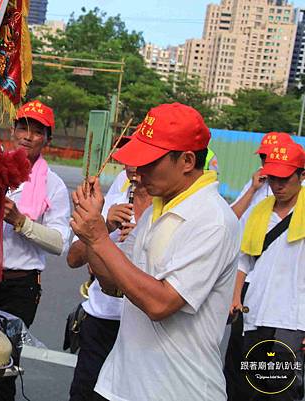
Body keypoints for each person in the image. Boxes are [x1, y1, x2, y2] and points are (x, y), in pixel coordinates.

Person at [70, 103, 240, 401]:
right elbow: (113, 284)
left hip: (176, 389)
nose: (138, 172)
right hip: (121, 382)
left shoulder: (212, 219)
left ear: (187, 161)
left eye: (149, 162)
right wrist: (94, 228)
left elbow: (160, 303)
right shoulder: (157, 211)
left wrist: (98, 239)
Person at [0, 100, 71, 401]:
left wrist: (22, 221)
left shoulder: (54, 186)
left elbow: (61, 242)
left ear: (47, 139)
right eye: (22, 127)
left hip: (18, 286)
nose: (27, 136)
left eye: (37, 131)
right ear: (12, 130)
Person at [67, 165, 152, 401]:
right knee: (84, 392)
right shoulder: (107, 202)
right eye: (129, 158)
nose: (134, 166)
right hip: (101, 320)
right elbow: (73, 258)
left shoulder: (167, 209)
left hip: (142, 325)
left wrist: (142, 239)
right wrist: (103, 226)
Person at [230, 141, 305, 401]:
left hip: (293, 318)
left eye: (285, 179)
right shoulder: (260, 211)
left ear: (302, 175)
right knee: (253, 387)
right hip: (256, 311)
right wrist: (236, 295)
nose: (278, 186)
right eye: (273, 179)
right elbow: (244, 260)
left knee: (282, 388)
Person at [231, 132, 294, 219]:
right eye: (263, 156)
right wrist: (252, 189)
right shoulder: (258, 180)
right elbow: (231, 216)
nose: (266, 161)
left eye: (272, 156)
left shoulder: (298, 186)